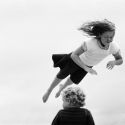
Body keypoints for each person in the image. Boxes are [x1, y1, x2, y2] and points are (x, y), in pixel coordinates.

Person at [42, 19, 123, 103]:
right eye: (106, 37)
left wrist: (114, 62)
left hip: (88, 66)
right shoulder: (90, 43)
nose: (109, 40)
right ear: (99, 35)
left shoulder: (114, 47)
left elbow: (120, 60)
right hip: (75, 61)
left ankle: (61, 89)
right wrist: (86, 68)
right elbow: (74, 55)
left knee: (73, 81)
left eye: (111, 37)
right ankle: (49, 90)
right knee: (62, 75)